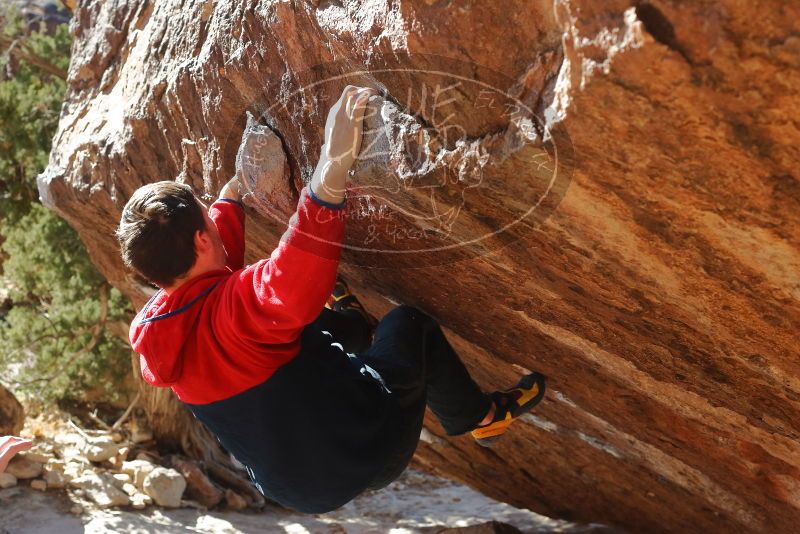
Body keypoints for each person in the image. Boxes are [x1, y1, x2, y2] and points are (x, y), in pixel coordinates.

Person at [116, 85, 546, 513]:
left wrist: (232, 195)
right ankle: (483, 417)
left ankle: (355, 325)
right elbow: (293, 271)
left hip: (298, 492)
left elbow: (210, 272)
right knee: (408, 325)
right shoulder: (241, 310)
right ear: (198, 238)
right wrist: (332, 165)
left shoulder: (159, 328)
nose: (213, 217)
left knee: (298, 337)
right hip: (374, 449)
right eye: (207, 216)